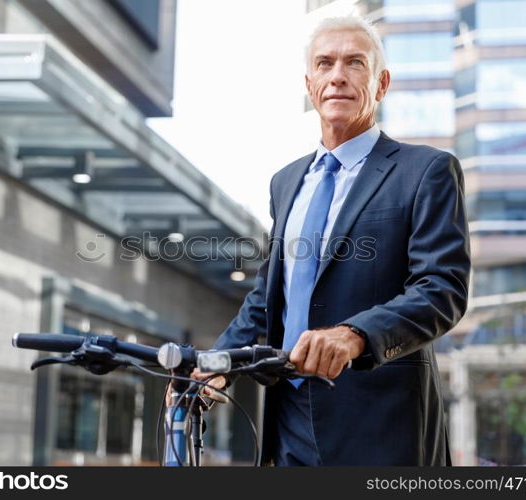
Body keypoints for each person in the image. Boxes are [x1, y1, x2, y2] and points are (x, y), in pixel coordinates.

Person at [198, 15, 470, 466]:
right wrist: (212, 367)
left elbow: (442, 290)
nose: (337, 76)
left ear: (381, 83)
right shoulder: (285, 182)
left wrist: (354, 335)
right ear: (310, 84)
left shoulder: (427, 171)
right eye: (325, 64)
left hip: (382, 425)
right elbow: (268, 301)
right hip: (287, 419)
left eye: (354, 63)